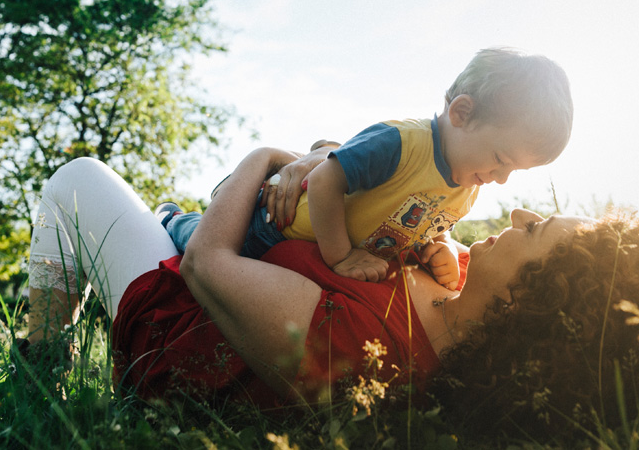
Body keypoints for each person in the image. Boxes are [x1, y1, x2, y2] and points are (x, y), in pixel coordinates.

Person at [23, 148, 639, 436]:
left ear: (530, 303)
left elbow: (208, 266)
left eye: (536, 230)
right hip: (232, 276)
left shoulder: (374, 353)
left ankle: (41, 367)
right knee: (155, 215)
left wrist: (265, 155)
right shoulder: (443, 281)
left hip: (180, 322)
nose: (517, 213)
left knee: (77, 181)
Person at [162, 47, 574, 290]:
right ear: (462, 113)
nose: (501, 178)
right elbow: (324, 180)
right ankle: (174, 218)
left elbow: (431, 220)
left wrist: (442, 247)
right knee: (202, 242)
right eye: (502, 159)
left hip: (308, 254)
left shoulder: (469, 184)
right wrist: (342, 257)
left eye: (514, 171)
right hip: (276, 225)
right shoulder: (401, 143)